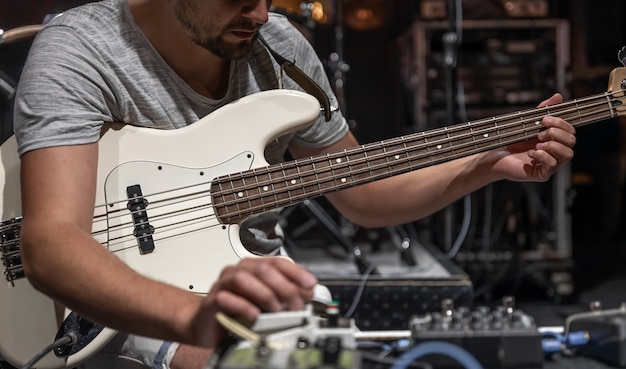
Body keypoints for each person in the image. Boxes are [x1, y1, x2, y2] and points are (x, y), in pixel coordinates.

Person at [12, 0, 576, 368]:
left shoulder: (279, 47)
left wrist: (483, 162)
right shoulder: (80, 50)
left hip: (251, 285)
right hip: (120, 299)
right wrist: (198, 317)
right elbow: (51, 246)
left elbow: (364, 195)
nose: (258, 13)